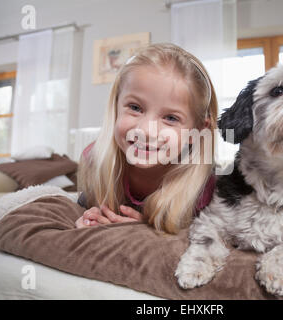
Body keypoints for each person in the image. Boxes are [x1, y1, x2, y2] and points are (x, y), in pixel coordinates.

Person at [75, 43, 218, 234]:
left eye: (170, 118)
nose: (146, 130)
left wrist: (149, 227)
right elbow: (87, 203)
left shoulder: (205, 188)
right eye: (135, 108)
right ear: (116, 105)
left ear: (198, 130)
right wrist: (91, 217)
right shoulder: (95, 158)